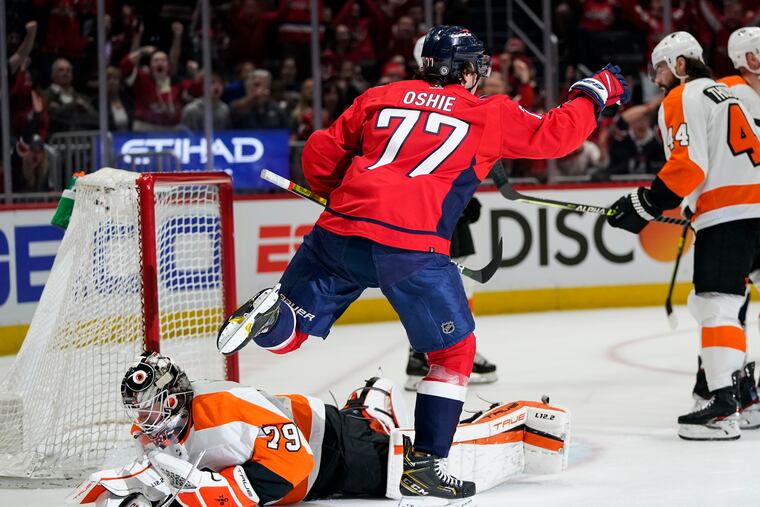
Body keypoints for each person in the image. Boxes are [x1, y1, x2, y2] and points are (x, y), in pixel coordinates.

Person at [217, 25, 628, 503]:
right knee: (452, 355)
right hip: (411, 248)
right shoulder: (487, 112)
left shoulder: (381, 95)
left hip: (339, 230)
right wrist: (593, 92)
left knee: (292, 336)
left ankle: (271, 316)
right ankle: (426, 467)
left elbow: (320, 151)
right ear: (471, 71)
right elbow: (554, 137)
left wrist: (340, 194)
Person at [68, 352, 570, 507]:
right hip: (324, 430)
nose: (148, 419)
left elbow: (295, 467)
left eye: (156, 407)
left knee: (414, 471)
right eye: (141, 409)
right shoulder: (157, 428)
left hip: (334, 453)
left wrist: (198, 496)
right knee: (366, 425)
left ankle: (519, 419)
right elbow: (135, 472)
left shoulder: (224, 410)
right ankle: (371, 401)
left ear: (177, 397)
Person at [606, 31, 760, 441]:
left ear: (678, 64)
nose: (656, 78)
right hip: (756, 209)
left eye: (660, 68)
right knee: (732, 306)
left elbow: (689, 164)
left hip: (728, 216)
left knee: (716, 307)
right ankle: (748, 396)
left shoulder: (682, 96)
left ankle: (722, 409)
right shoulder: (730, 94)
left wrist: (645, 204)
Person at [405, 197, 499, 391]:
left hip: (452, 234)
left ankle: (455, 352)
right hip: (430, 233)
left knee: (460, 296)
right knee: (434, 296)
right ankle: (428, 356)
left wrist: (464, 203)